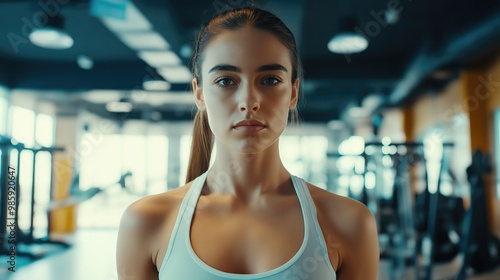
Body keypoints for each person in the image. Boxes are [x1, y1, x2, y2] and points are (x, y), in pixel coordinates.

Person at [116, 6, 379, 280]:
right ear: (200, 94)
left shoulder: (349, 223)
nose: (248, 102)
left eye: (269, 80)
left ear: (293, 92)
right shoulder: (146, 222)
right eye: (226, 80)